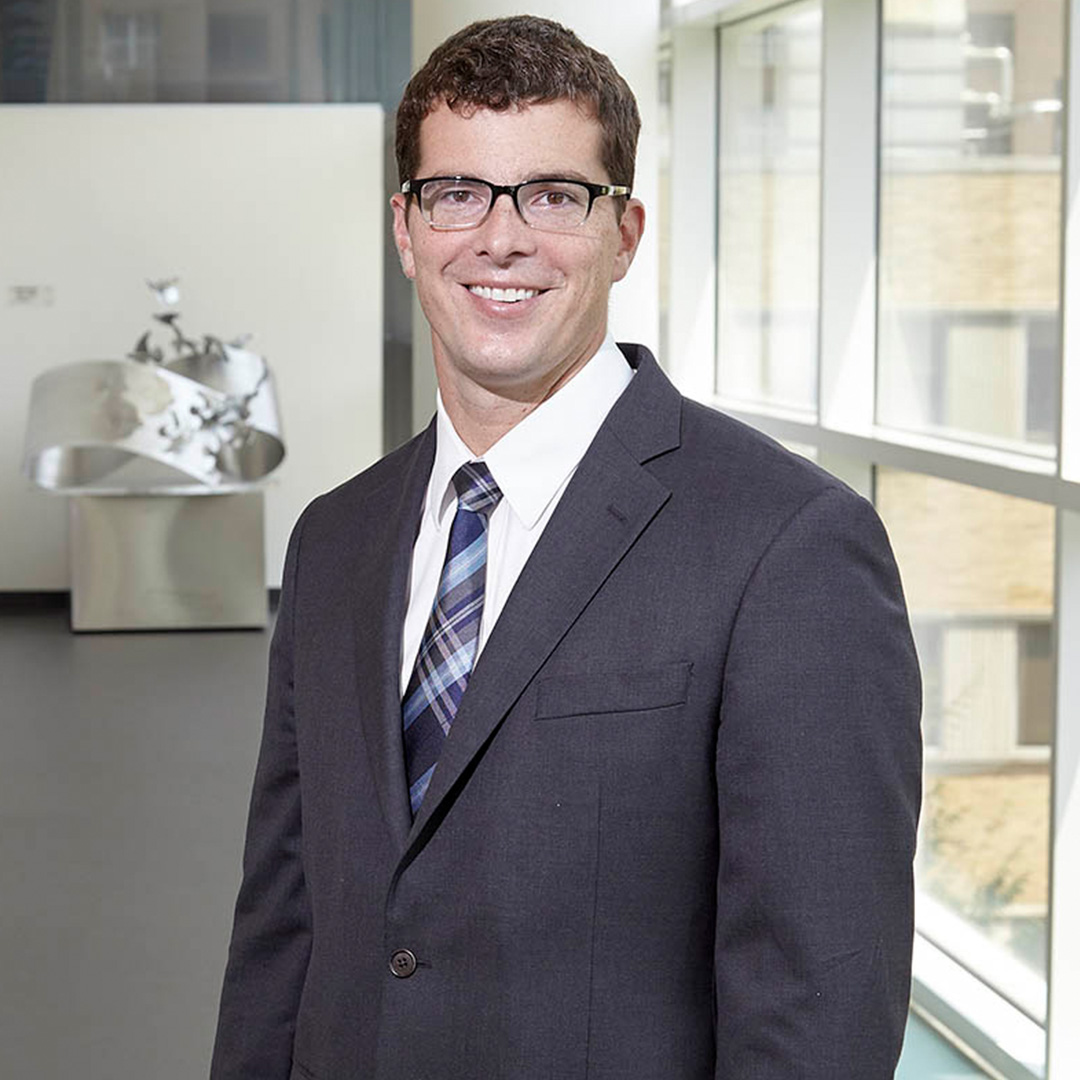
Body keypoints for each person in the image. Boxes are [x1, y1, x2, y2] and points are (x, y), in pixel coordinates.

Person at [210, 15, 922, 1080]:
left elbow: (820, 997)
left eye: (553, 195)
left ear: (626, 231)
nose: (501, 240)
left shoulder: (789, 546)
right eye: (458, 194)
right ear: (406, 229)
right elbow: (285, 923)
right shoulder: (334, 538)